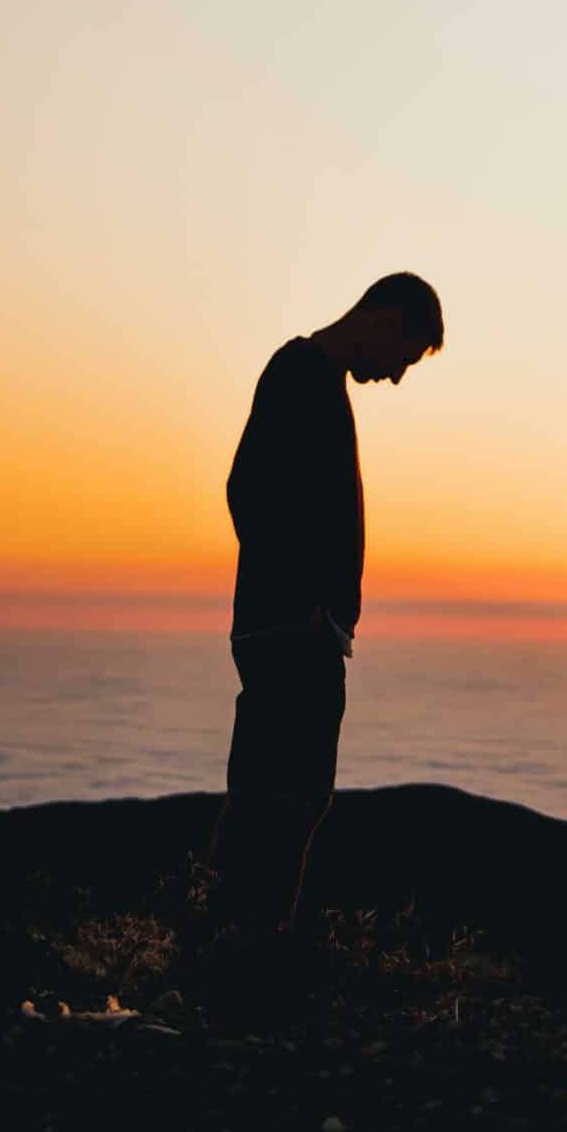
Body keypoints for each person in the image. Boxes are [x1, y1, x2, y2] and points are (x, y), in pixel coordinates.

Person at [206, 271, 443, 944]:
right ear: (384, 320)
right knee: (283, 798)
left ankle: (233, 941)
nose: (396, 377)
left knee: (277, 795)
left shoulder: (315, 379)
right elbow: (246, 489)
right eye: (405, 356)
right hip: (290, 630)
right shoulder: (300, 373)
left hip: (294, 627)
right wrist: (304, 601)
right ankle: (244, 946)